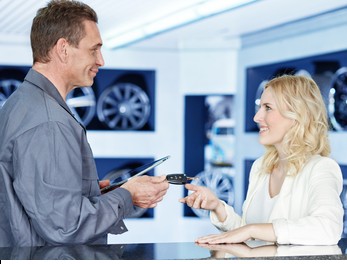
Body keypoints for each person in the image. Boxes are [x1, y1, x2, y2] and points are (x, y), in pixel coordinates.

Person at [0, 0, 169, 247]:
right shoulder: (49, 123)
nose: (101, 60)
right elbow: (66, 226)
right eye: (94, 49)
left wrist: (93, 195)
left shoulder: (21, 104)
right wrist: (127, 195)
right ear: (63, 49)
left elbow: (37, 200)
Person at [180, 74, 344, 245]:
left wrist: (251, 230)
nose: (256, 117)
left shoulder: (321, 168)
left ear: (296, 114)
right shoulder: (261, 167)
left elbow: (328, 228)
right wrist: (217, 207)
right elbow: (251, 233)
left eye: (267, 108)